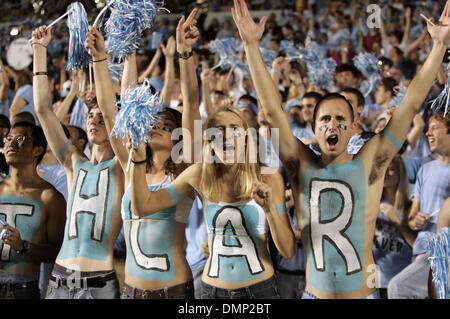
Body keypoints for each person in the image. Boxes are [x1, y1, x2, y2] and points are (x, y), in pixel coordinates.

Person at [231, 0, 450, 298]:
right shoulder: (300, 164)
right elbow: (272, 111)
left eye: (340, 119)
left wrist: (438, 46)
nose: (332, 125)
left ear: (354, 125)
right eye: (324, 119)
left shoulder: (370, 162)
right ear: (313, 128)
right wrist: (251, 46)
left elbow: (409, 104)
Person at [85, 9, 200, 299]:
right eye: (154, 123)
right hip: (130, 290)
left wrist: (184, 54)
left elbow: (192, 102)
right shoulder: (132, 164)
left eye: (167, 125)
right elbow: (112, 112)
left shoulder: (186, 168)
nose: (157, 127)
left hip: (173, 290)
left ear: (179, 137)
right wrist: (101, 58)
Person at [32, 25, 125, 299]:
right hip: (59, 277)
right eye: (90, 116)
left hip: (99, 281)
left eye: (102, 117)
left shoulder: (124, 165)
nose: (95, 120)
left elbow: (111, 109)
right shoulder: (74, 163)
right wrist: (39, 51)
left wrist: (99, 58)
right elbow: (42, 110)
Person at [0, 121, 66, 299]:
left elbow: (58, 252)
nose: (11, 144)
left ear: (37, 150)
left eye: (20, 139)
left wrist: (23, 246)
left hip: (22, 289)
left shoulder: (50, 197)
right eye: (8, 139)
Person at [388, 112, 450, 299]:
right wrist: (417, 220)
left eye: (435, 128)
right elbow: (413, 218)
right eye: (427, 129)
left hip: (440, 253)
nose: (428, 134)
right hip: (419, 252)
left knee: (399, 288)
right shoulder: (426, 169)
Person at [372, 155, 415, 299]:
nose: (385, 173)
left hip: (402, 283)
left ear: (400, 173)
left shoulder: (410, 208)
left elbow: (416, 244)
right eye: (383, 169)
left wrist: (397, 220)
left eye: (390, 169)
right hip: (375, 282)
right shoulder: (371, 206)